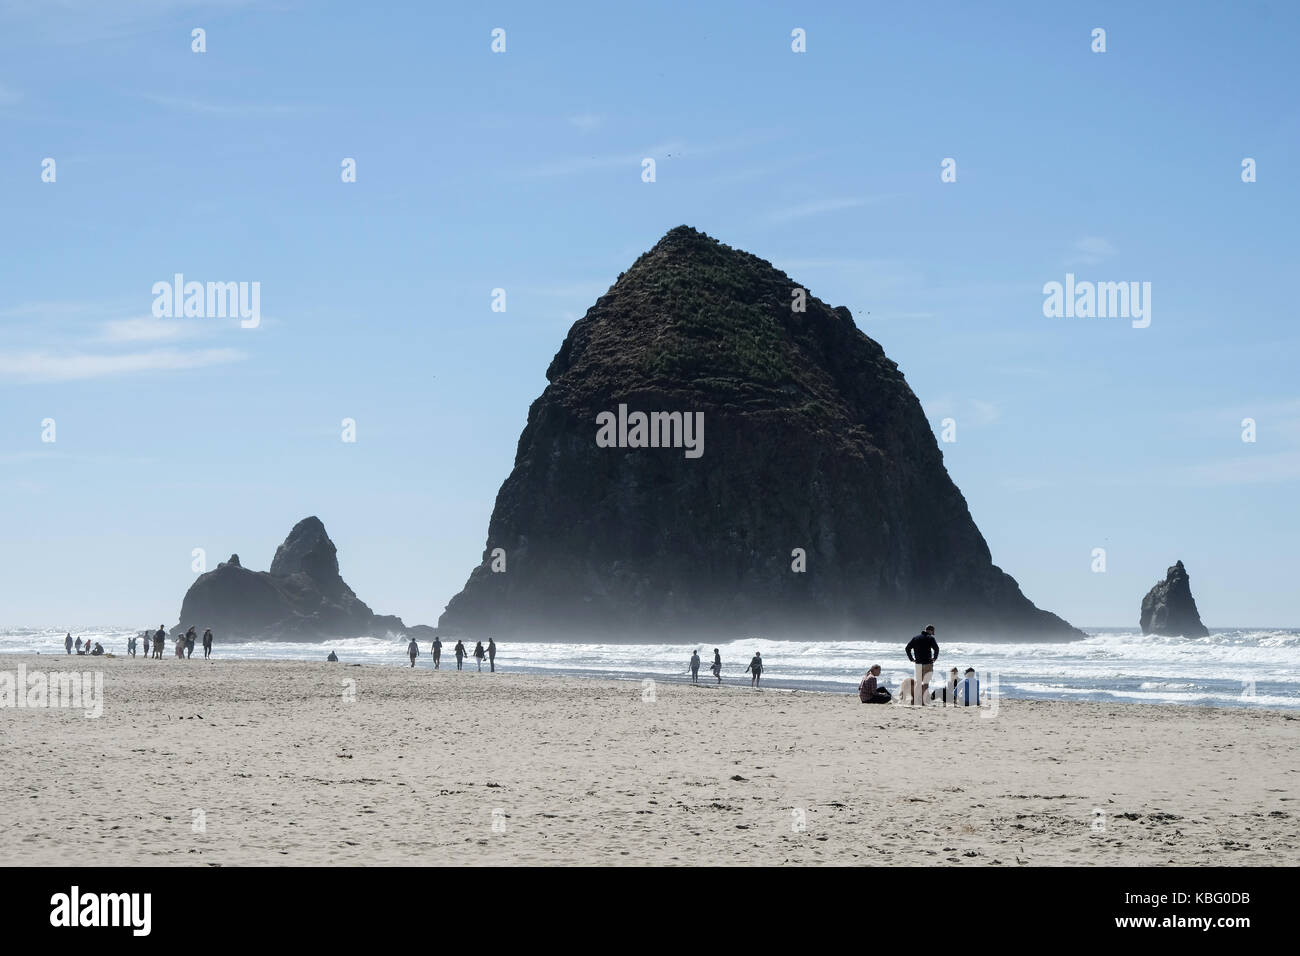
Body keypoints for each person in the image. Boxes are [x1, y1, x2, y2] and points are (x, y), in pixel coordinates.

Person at [905, 625, 940, 707]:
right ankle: (923, 701)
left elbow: (907, 648)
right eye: (932, 632)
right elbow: (936, 649)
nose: (932, 633)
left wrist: (911, 658)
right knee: (926, 683)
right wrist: (934, 658)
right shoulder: (930, 638)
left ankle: (914, 700)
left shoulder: (916, 638)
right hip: (927, 663)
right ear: (930, 631)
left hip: (918, 663)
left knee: (918, 683)